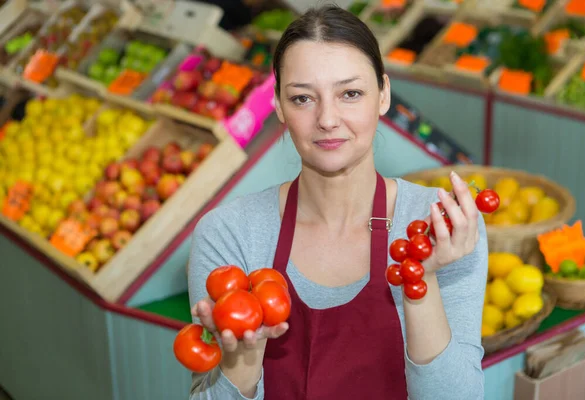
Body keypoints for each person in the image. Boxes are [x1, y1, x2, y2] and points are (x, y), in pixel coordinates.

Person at [188, 4, 487, 399]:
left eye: (350, 93)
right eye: (302, 99)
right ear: (278, 106)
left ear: (383, 95)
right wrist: (243, 357)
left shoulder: (437, 226)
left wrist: (422, 278)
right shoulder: (229, 234)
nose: (328, 119)